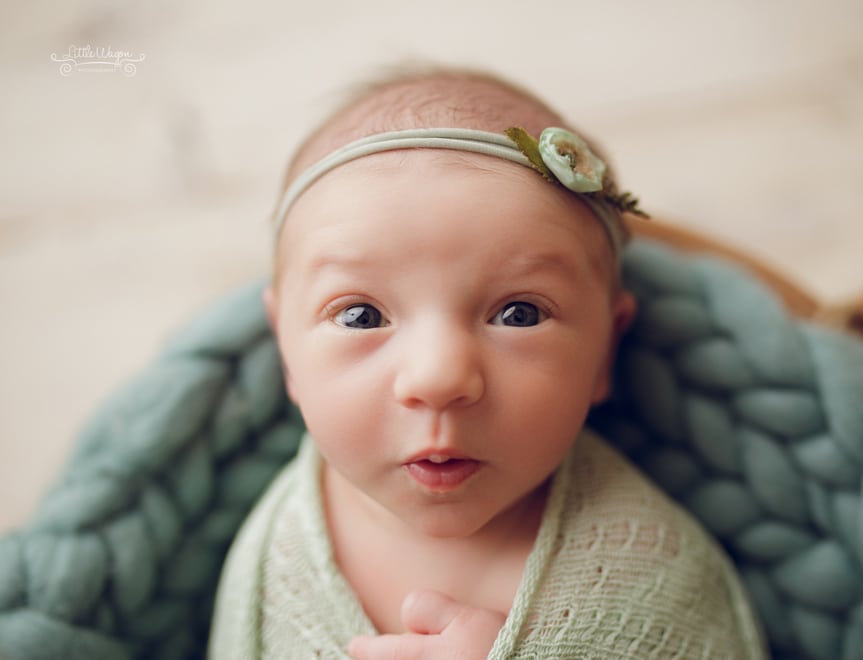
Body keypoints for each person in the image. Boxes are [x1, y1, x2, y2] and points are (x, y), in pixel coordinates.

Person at [209, 68, 768, 659]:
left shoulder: (650, 567)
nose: (438, 379)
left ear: (606, 350)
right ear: (286, 352)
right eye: (360, 317)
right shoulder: (272, 559)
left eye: (520, 313)